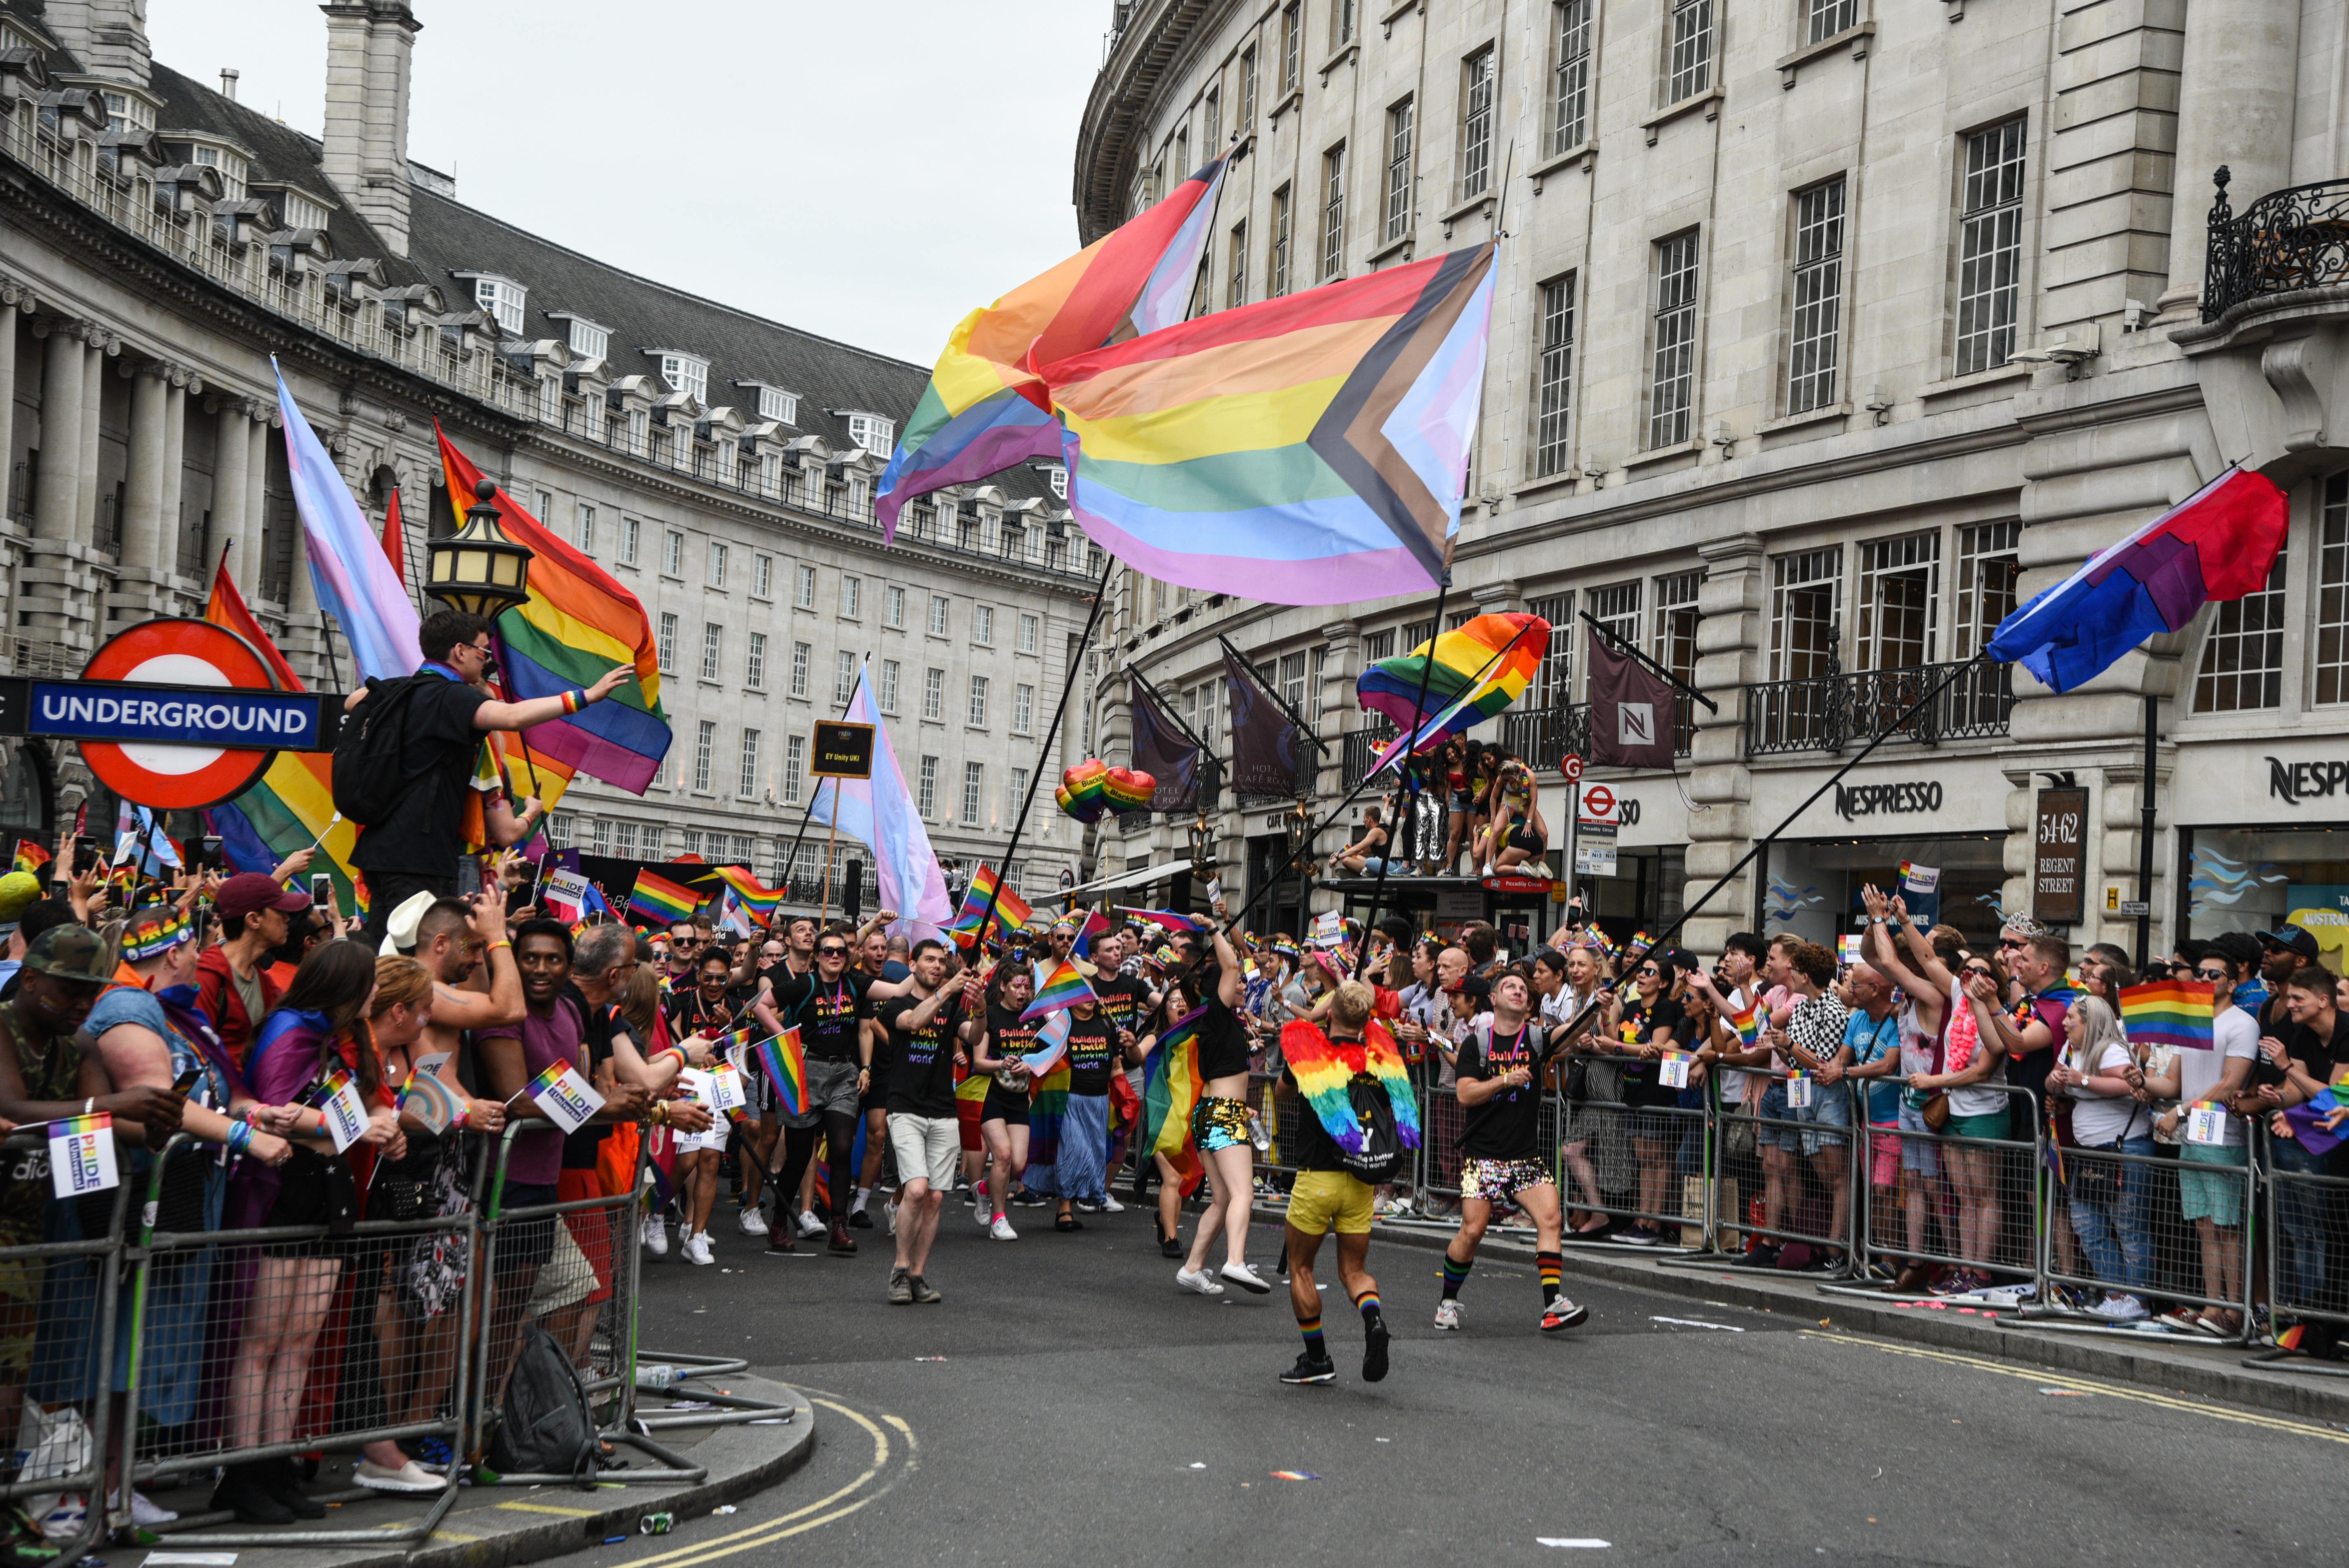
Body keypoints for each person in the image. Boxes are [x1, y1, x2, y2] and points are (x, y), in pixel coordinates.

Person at [223, 940, 399, 1524]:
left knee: (300, 1341)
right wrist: (361, 1124)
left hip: (326, 1189)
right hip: (279, 1191)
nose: (376, 993)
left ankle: (278, 1464)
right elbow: (276, 1111)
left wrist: (381, 1125)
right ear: (344, 985)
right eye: (370, 983)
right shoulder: (290, 1029)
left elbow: (347, 1111)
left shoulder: (334, 1037)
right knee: (263, 1340)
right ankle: (245, 1470)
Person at [348, 611, 628, 947]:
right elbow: (510, 717)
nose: (485, 661)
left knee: (381, 949)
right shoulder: (452, 697)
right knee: (414, 962)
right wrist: (585, 697)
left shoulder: (398, 689)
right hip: (419, 856)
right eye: (483, 652)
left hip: (376, 850)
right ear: (460, 651)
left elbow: (353, 702)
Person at [474, 922, 648, 1396]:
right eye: (529, 957)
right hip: (501, 1180)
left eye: (553, 959)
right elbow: (519, 1100)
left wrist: (620, 1101)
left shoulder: (569, 1016)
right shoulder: (506, 1016)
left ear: (569, 968)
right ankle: (481, 1416)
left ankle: (524, 1407)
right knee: (499, 1311)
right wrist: (604, 1105)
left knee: (566, 1290)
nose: (540, 968)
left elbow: (568, 1088)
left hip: (543, 1180)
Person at [1436, 970, 1589, 1334]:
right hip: (1483, 1157)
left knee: (1551, 1220)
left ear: (1529, 1003)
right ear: (1494, 998)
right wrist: (1506, 1079)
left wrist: (1595, 1008)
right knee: (1472, 1231)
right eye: (1510, 987)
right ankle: (1447, 1302)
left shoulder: (1536, 1038)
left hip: (1525, 1156)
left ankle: (1553, 1304)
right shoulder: (1477, 1044)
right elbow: (1465, 1093)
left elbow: (1573, 1031)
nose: (1518, 991)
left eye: (1523, 988)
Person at [1275, 981, 1399, 1385]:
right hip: (1360, 1179)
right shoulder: (1377, 1060)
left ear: (1330, 1014)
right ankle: (1373, 1318)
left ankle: (1317, 1358)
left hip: (1318, 1177)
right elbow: (1384, 1112)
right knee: (1354, 1270)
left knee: (1301, 1267)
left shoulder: (1309, 1054)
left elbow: (1281, 1096)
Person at [2161, 935, 2260, 1333]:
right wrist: (2142, 1082)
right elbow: (2173, 1082)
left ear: (2231, 983)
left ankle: (2235, 1312)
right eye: (2199, 972)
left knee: (2228, 1227)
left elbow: (2228, 1084)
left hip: (2224, 1138)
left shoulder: (2242, 1022)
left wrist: (2180, 1111)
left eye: (2213, 973)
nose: (2203, 977)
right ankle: (2211, 1305)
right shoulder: (2194, 1019)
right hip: (2193, 1137)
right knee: (2204, 1226)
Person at [759, 930, 875, 1254]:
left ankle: (839, 1226)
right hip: (805, 1071)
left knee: (841, 1148)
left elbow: (898, 990)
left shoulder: (855, 985)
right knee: (798, 1157)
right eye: (828, 950)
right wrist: (786, 1037)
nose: (835, 955)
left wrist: (941, 980)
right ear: (817, 955)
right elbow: (760, 1006)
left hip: (843, 1073)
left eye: (841, 951)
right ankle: (780, 1221)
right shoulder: (803, 984)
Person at [1176, 922, 1273, 1297]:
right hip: (1219, 1114)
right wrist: (1216, 929)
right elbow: (1233, 965)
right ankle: (1235, 1260)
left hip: (1218, 1111)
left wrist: (1242, 1108)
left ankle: (1192, 1268)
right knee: (1243, 1193)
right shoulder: (1214, 1015)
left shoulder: (1229, 1021)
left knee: (1222, 1198)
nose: (1244, 986)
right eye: (1238, 984)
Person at [877, 942, 977, 1304]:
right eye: (930, 960)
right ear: (912, 963)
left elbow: (975, 1036)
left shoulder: (952, 1009)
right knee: (916, 1189)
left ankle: (918, 1275)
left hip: (943, 1110)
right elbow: (915, 1021)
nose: (937, 966)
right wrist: (949, 989)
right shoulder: (896, 1005)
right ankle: (900, 1270)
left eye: (941, 962)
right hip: (905, 1107)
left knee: (935, 1197)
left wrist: (979, 1009)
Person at [2047, 992, 2152, 1320]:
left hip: (2123, 1150)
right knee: (2086, 1224)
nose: (2064, 1024)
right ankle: (2115, 1293)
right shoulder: (2070, 1048)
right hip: (2090, 1153)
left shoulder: (2110, 1049)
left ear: (2090, 1023)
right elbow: (2058, 1084)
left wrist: (2085, 1080)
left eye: (2071, 1019)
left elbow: (2129, 1085)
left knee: (2128, 1228)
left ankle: (2138, 1300)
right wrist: (2053, 1083)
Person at [1752, 938, 1851, 1270]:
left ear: (1806, 975)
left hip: (1826, 1094)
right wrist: (1779, 1045)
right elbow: (1791, 1055)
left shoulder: (1834, 1009)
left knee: (1837, 1177)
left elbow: (1822, 1061)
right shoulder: (1803, 1007)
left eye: (1795, 970)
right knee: (1823, 1174)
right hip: (1801, 1090)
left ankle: (1836, 1253)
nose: (1789, 974)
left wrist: (1789, 1045)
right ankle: (1823, 1247)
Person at [663, 950, 744, 1264]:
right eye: (708, 977)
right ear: (698, 976)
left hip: (719, 1089)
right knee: (685, 1164)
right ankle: (654, 1213)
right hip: (685, 1088)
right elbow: (672, 1045)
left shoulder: (735, 1007)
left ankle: (696, 1236)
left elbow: (739, 1053)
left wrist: (729, 1028)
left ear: (729, 979)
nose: (713, 983)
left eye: (721, 978)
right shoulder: (683, 1003)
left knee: (710, 1162)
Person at [1606, 951, 1686, 1245]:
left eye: (1649, 972)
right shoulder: (1629, 1006)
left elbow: (1656, 1047)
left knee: (1657, 1157)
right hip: (1632, 1087)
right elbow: (1615, 1038)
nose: (1640, 975)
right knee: (1642, 1157)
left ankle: (1652, 1223)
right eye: (1640, 971)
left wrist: (1614, 1046)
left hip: (1656, 1090)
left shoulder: (1666, 1008)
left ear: (1663, 982)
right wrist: (1605, 1017)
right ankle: (1639, 1219)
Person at [198, 871, 313, 1068]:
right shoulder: (205, 977)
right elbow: (196, 1054)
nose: (288, 919)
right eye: (280, 911)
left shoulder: (264, 981)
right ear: (253, 920)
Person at [966, 961, 1039, 1239]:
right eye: (1016, 986)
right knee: (1004, 1155)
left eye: (1026, 986)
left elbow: (1048, 1054)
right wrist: (1002, 1063)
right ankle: (999, 1219)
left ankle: (983, 1189)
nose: (1022, 992)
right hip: (991, 1096)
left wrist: (1030, 1065)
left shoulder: (1034, 1018)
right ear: (1003, 987)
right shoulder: (991, 1015)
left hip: (1020, 1099)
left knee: (1018, 1165)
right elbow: (979, 1062)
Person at [1475, 745, 1546, 874]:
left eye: (1508, 779)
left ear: (1515, 775)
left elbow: (1534, 801)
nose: (1505, 780)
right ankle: (1487, 865)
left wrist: (1529, 822)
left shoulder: (1530, 776)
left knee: (1544, 833)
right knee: (1496, 830)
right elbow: (1493, 798)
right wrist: (1493, 818)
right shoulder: (1503, 776)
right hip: (1509, 803)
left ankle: (1541, 865)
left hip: (1525, 804)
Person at [1327, 806, 1391, 877]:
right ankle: (1362, 873)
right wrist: (1340, 854)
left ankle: (1363, 875)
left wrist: (1338, 858)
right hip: (1379, 863)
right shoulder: (1378, 831)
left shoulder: (1376, 831)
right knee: (1352, 857)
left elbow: (1359, 848)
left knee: (1346, 861)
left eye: (1364, 818)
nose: (1363, 821)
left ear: (1369, 819)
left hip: (1383, 867)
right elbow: (1362, 852)